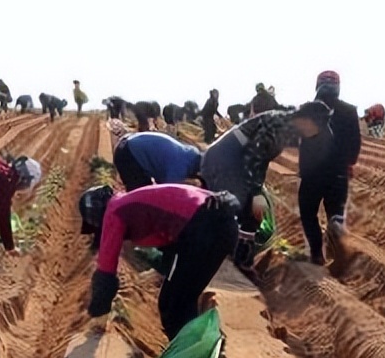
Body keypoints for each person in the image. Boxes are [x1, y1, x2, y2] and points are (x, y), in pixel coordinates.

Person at [80, 183, 241, 339]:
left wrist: (99, 314)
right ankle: (193, 347)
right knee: (183, 296)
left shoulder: (113, 211)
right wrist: (161, 270)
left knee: (173, 304)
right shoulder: (132, 202)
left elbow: (105, 272)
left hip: (204, 227)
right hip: (223, 225)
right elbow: (172, 245)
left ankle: (185, 355)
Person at [200, 102, 331, 268]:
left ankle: (241, 258)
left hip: (236, 160)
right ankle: (215, 254)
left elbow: (261, 160)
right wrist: (255, 192)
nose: (316, 132)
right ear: (307, 120)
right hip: (225, 160)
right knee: (235, 205)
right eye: (318, 127)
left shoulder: (288, 126)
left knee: (251, 212)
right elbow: (253, 156)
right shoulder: (278, 125)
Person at [298, 71, 363, 265]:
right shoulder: (350, 111)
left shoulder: (307, 110)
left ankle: (317, 253)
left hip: (313, 174)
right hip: (338, 173)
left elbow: (301, 142)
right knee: (335, 211)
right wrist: (349, 163)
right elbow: (355, 144)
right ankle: (337, 237)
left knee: (308, 212)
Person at [113, 131, 203, 191]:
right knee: (141, 196)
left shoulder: (188, 155)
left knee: (146, 192)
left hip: (130, 143)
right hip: (128, 152)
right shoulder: (181, 166)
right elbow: (168, 190)